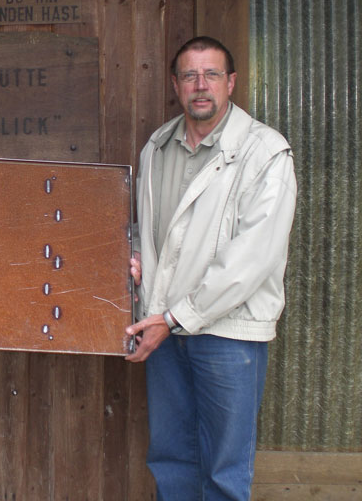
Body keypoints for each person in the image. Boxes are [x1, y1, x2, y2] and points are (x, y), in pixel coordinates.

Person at [125, 36, 297, 500]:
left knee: (223, 469)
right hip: (164, 331)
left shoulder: (265, 152)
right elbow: (148, 229)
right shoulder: (157, 148)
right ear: (176, 84)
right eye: (189, 75)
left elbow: (252, 258)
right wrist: (135, 257)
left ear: (231, 82)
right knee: (172, 461)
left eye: (212, 75)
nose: (201, 86)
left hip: (227, 334)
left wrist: (175, 318)